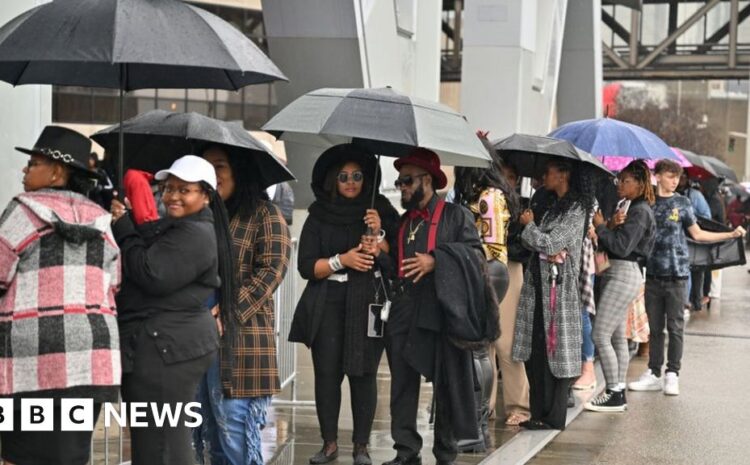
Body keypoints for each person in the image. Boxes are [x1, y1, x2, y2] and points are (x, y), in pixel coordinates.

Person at [0, 126, 121, 465]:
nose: (25, 170)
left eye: (34, 163)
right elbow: (115, 282)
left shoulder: (22, 211)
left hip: (31, 363)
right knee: (70, 455)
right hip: (92, 362)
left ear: (57, 171)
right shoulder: (101, 221)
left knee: (20, 456)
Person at [111, 155, 233, 464]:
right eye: (169, 188)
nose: (173, 196)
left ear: (206, 195)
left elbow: (154, 274)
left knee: (163, 443)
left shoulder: (195, 234)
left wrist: (124, 228)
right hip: (161, 344)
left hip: (167, 348)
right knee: (154, 438)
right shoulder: (181, 227)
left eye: (185, 190)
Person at [380, 148, 493, 465]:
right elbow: (397, 268)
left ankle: (446, 451)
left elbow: (475, 258)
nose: (401, 187)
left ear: (426, 180)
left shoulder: (456, 216)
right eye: (399, 181)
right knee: (402, 381)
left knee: (446, 381)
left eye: (406, 180)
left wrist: (437, 260)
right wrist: (380, 251)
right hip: (404, 307)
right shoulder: (403, 223)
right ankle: (406, 450)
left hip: (441, 309)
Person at [289, 144, 400, 465]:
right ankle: (329, 444)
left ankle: (362, 446)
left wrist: (379, 235)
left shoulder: (378, 210)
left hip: (368, 303)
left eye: (357, 176)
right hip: (328, 303)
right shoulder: (318, 215)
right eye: (343, 177)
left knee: (363, 374)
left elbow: (394, 263)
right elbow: (307, 266)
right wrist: (343, 260)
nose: (351, 182)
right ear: (331, 181)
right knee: (327, 374)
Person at [194, 145, 292, 465]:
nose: (212, 174)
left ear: (239, 171)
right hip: (200, 341)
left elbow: (272, 271)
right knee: (212, 435)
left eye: (219, 166)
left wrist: (229, 310)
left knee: (236, 433)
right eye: (206, 167)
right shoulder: (201, 217)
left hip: (243, 343)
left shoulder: (265, 214)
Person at [628, 159, 745, 396]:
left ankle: (672, 374)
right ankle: (653, 372)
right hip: (652, 275)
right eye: (670, 176)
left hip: (678, 275)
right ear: (657, 176)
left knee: (675, 326)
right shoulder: (645, 204)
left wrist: (729, 233)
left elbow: (698, 234)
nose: (675, 181)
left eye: (677, 177)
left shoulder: (682, 203)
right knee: (656, 328)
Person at [512, 159, 594, 430]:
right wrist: (534, 234)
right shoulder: (550, 206)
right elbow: (536, 244)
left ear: (563, 175)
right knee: (536, 351)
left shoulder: (576, 209)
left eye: (548, 171)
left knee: (555, 351)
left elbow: (551, 243)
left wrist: (530, 227)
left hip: (559, 291)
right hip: (538, 286)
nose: (544, 176)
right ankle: (538, 413)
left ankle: (553, 416)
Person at [455, 140, 529, 428]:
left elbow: (494, 245)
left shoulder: (491, 197)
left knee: (505, 343)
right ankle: (484, 405)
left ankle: (518, 404)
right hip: (484, 269)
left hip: (498, 270)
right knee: (484, 342)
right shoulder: (477, 194)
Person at [584, 160, 656, 412]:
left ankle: (614, 391)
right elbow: (612, 243)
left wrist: (602, 227)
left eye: (625, 180)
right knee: (615, 337)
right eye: (619, 180)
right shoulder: (628, 206)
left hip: (624, 273)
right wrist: (609, 227)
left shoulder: (640, 211)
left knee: (599, 334)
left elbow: (622, 247)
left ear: (639, 183)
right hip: (615, 272)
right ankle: (617, 390)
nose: (620, 184)